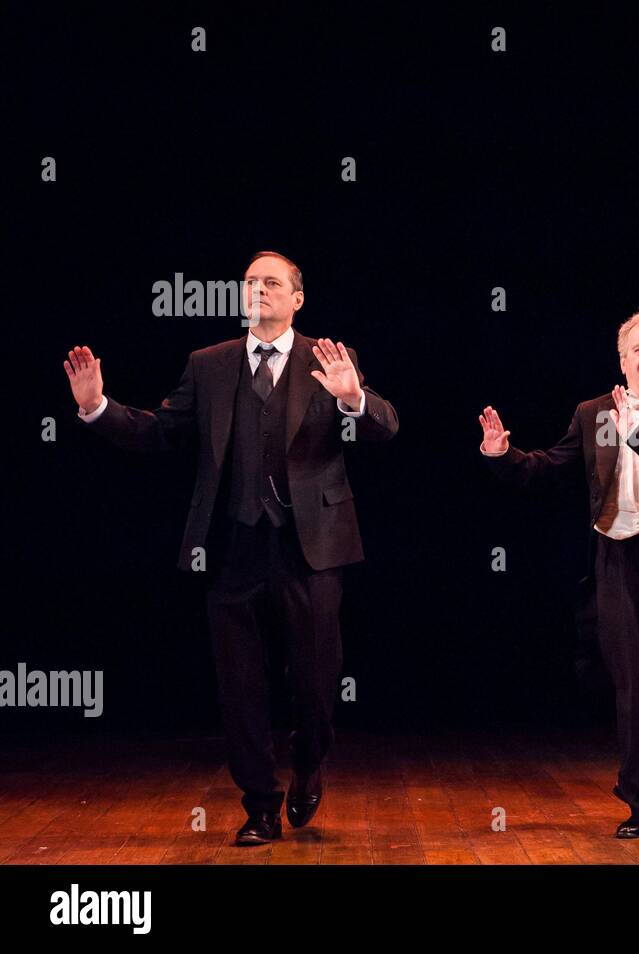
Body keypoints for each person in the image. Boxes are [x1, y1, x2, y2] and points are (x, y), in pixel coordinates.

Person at [64, 251, 399, 845]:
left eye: (271, 282)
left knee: (318, 682)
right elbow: (161, 431)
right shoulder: (210, 364)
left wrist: (354, 399)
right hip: (231, 547)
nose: (258, 290)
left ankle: (309, 759)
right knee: (240, 685)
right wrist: (97, 408)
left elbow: (385, 427)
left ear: (297, 298)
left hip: (311, 548)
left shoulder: (328, 357)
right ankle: (260, 805)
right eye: (249, 283)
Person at [479, 310, 639, 838]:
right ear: (623, 361)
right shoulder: (593, 413)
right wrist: (504, 456)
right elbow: (550, 466)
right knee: (636, 684)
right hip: (617, 556)